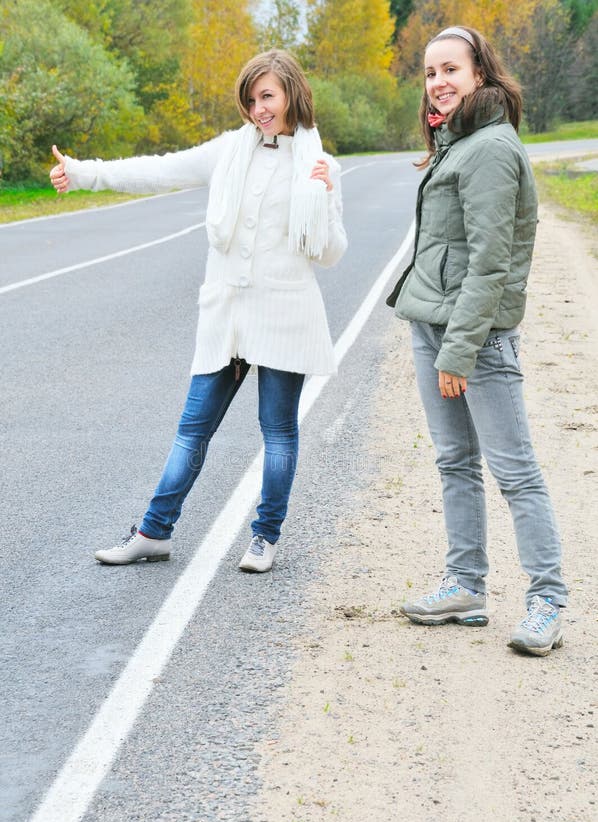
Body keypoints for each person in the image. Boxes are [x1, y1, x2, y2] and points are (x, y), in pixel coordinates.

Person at [50, 49, 347, 573]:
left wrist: (322, 194)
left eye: (268, 97)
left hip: (285, 315)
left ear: (292, 95)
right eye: (252, 99)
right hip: (227, 316)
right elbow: (157, 171)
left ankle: (264, 538)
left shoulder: (319, 163)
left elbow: (330, 252)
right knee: (192, 429)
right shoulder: (228, 152)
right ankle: (153, 533)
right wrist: (83, 173)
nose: (259, 108)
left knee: (277, 432)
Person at [386, 26, 567, 655]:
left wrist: (458, 350)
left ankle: (548, 601)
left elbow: (491, 262)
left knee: (514, 471)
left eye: (450, 70)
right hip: (433, 324)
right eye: (430, 72)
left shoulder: (489, 147)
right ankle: (465, 586)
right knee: (454, 461)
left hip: (475, 338)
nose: (437, 82)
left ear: (481, 75)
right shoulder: (453, 140)